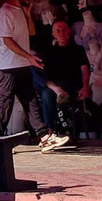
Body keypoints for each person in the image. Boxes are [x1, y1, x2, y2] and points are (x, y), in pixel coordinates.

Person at [0, 0, 66, 148]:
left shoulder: (20, 11)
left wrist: (28, 14)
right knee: (5, 103)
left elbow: (31, 32)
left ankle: (44, 136)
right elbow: (7, 40)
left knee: (30, 100)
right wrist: (29, 56)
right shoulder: (5, 12)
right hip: (7, 67)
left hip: (21, 64)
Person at [36, 19, 87, 150]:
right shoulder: (49, 51)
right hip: (53, 86)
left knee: (48, 94)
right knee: (36, 73)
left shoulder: (78, 50)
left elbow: (85, 69)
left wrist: (85, 86)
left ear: (69, 32)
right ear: (53, 34)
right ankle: (50, 132)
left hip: (71, 85)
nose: (61, 33)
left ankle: (53, 131)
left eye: (64, 30)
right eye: (58, 30)